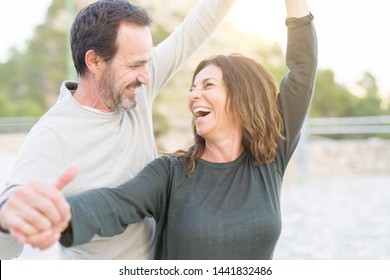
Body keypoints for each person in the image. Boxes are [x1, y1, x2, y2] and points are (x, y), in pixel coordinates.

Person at [1, 0, 317, 259]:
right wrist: (30, 216)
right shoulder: (54, 136)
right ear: (95, 62)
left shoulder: (134, 89)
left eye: (146, 62)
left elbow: (197, 27)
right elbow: (116, 204)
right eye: (136, 65)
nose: (147, 75)